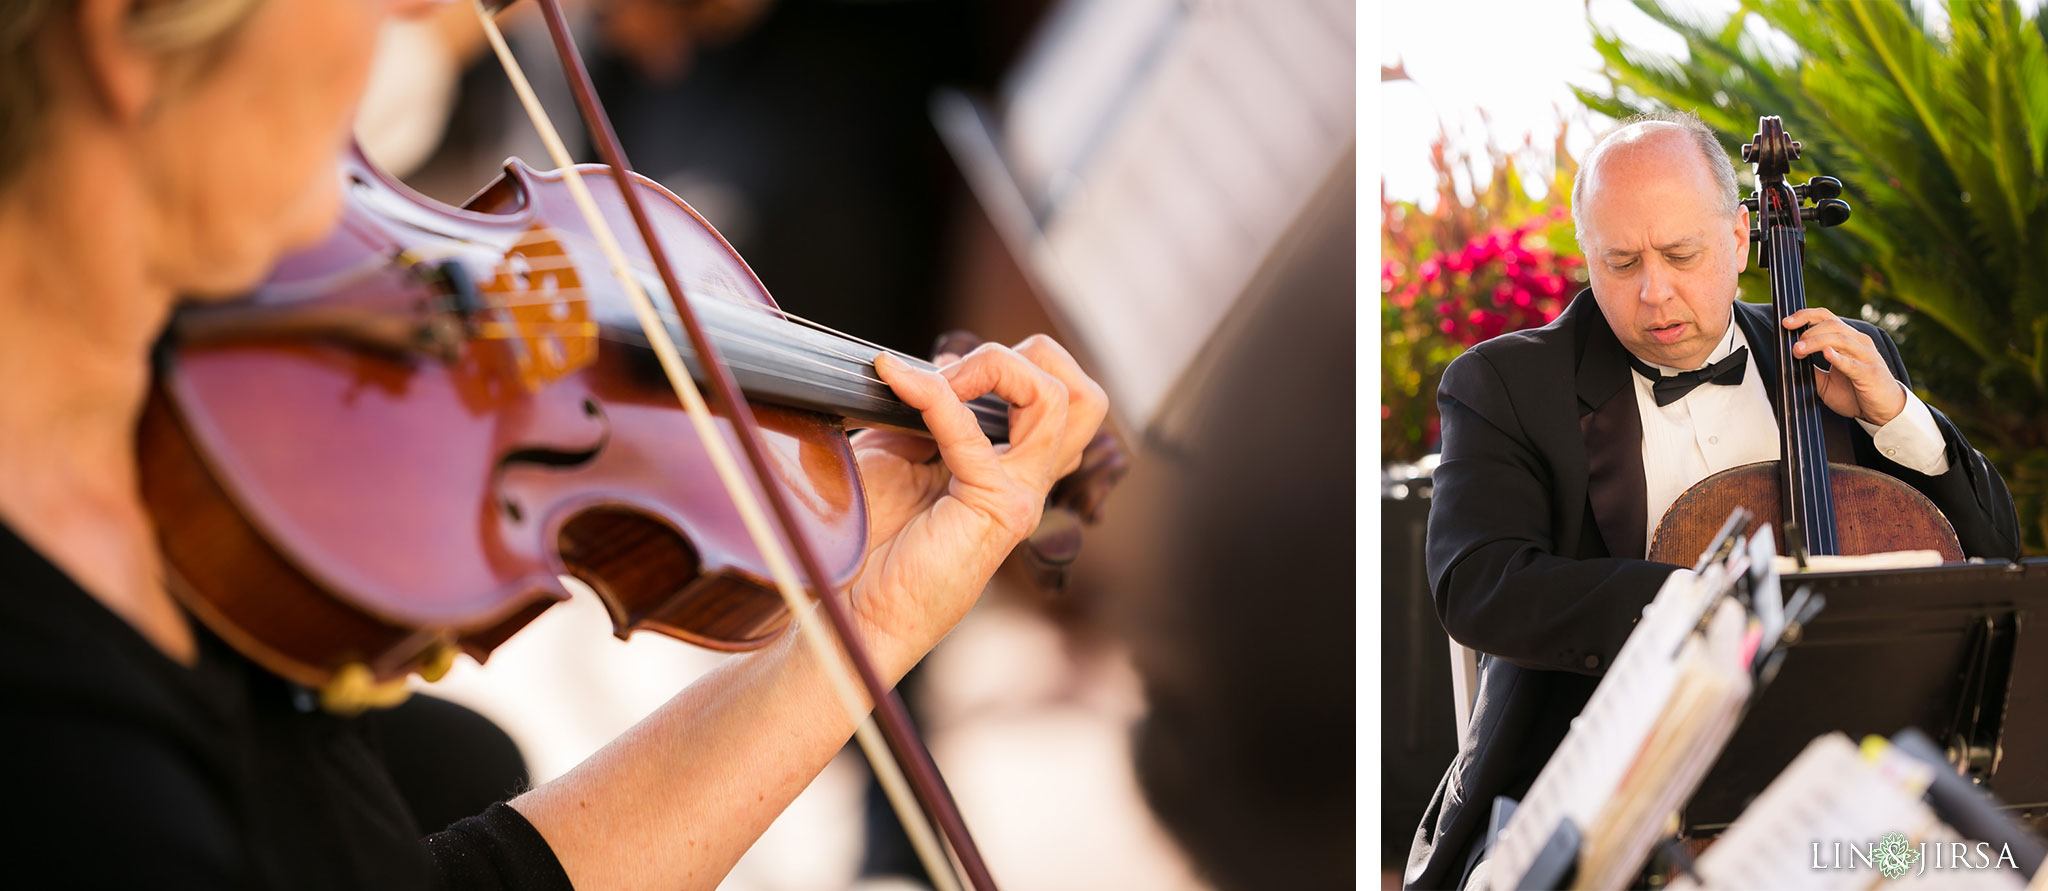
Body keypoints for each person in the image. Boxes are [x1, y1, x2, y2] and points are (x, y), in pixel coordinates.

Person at [0, 0, 1106, 888]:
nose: (416, 11)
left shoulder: (151, 374)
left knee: (461, 759)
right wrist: (872, 625)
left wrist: (879, 611)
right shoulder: (87, 770)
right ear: (122, 40)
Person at [1403, 111, 2021, 890]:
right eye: (1620, 262)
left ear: (1738, 239)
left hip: (1842, 803)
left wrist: (1896, 416)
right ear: (1586, 257)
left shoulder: (1844, 363)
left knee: (1985, 866)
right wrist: (1714, 604)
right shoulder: (1506, 385)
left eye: (1681, 254)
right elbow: (1479, 583)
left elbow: (1990, 553)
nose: (1654, 292)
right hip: (1621, 805)